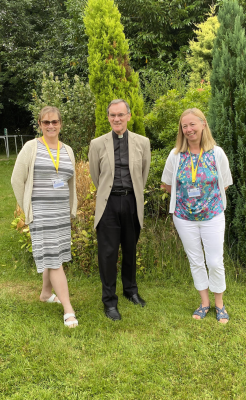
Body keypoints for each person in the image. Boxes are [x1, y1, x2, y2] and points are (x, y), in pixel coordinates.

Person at [161, 108, 233, 323]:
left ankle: (220, 304)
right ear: (181, 130)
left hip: (212, 216)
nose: (189, 129)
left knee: (214, 261)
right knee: (196, 261)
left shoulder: (216, 153)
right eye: (185, 126)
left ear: (203, 124)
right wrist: (187, 198)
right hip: (184, 218)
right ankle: (204, 303)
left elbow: (225, 184)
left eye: (193, 124)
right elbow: (166, 185)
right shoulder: (176, 156)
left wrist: (205, 201)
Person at [11, 106, 78, 328]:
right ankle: (68, 309)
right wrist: (27, 209)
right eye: (46, 122)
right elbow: (16, 180)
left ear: (61, 124)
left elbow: (70, 182)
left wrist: (70, 209)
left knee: (54, 254)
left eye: (54, 122)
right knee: (55, 260)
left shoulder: (67, 150)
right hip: (41, 214)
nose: (51, 126)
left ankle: (45, 293)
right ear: (39, 124)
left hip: (60, 214)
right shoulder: (31, 147)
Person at [88, 99, 151, 321]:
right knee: (107, 254)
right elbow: (96, 176)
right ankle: (109, 300)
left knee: (130, 250)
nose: (117, 119)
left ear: (129, 116)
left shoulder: (143, 142)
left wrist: (132, 195)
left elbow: (143, 174)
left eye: (121, 115)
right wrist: (110, 193)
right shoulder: (97, 144)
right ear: (108, 117)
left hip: (132, 202)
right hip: (108, 204)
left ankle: (130, 291)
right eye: (113, 115)